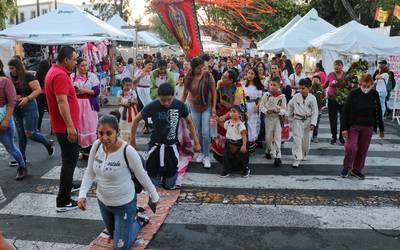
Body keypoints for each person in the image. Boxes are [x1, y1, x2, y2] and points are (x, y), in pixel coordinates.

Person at [78, 115, 160, 250]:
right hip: (103, 202)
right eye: (101, 133)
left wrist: (154, 195)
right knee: (113, 234)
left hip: (124, 205)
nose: (104, 138)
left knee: (120, 247)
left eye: (109, 133)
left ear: (117, 132)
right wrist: (82, 194)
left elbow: (142, 175)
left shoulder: (127, 151)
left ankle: (138, 221)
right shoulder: (97, 146)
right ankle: (128, 223)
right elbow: (90, 172)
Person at [130, 83, 201, 189]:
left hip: (171, 148)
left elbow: (190, 122)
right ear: (159, 97)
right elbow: (135, 120)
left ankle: (169, 175)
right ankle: (154, 174)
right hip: (156, 147)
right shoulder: (153, 106)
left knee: (168, 185)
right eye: (163, 100)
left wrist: (196, 142)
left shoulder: (180, 105)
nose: (166, 103)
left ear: (174, 96)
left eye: (169, 99)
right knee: (152, 185)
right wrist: (132, 141)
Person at [45, 46, 80, 212]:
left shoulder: (55, 71)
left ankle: (69, 184)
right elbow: (61, 102)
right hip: (65, 128)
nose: (75, 62)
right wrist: (70, 126)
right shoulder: (59, 75)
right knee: (69, 161)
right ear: (66, 60)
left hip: (61, 126)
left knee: (68, 160)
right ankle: (63, 200)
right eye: (74, 59)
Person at [8, 58, 55, 166]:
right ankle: (22, 160)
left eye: (13, 68)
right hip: (16, 107)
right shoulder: (11, 77)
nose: (11, 70)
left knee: (30, 133)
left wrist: (27, 98)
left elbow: (38, 90)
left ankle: (48, 143)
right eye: (10, 68)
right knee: (21, 135)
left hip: (29, 107)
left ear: (18, 67)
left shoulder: (28, 76)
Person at [340, 74, 384, 179]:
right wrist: (344, 128)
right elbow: (345, 111)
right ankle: (346, 167)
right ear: (360, 84)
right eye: (364, 86)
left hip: (368, 126)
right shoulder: (353, 93)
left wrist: (381, 128)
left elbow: (378, 111)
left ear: (372, 85)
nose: (366, 88)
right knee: (351, 147)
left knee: (363, 150)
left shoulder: (374, 94)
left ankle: (356, 169)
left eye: (368, 86)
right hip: (354, 125)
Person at [182, 57, 216, 168]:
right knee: (198, 131)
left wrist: (214, 107)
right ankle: (201, 152)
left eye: (202, 67)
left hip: (206, 106)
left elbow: (214, 92)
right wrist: (180, 107)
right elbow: (185, 93)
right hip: (194, 106)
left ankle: (206, 156)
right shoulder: (189, 77)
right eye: (199, 68)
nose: (201, 69)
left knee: (206, 132)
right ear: (193, 67)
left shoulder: (207, 75)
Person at [211, 70, 245, 162]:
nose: (222, 78)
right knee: (219, 132)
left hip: (234, 113)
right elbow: (216, 96)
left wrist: (225, 116)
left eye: (225, 77)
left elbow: (236, 106)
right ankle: (219, 153)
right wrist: (214, 109)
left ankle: (231, 156)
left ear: (231, 80)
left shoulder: (238, 88)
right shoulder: (220, 83)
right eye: (223, 75)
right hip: (221, 109)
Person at [71, 58, 100, 159]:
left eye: (86, 65)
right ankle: (80, 150)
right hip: (76, 104)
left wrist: (82, 90)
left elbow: (96, 92)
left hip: (89, 104)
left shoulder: (92, 76)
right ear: (77, 66)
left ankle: (91, 150)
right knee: (78, 126)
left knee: (90, 125)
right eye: (82, 65)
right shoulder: (72, 76)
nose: (85, 68)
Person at [287, 78, 318, 168]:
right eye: (299, 88)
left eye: (303, 88)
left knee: (306, 142)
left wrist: (313, 123)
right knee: (297, 140)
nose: (301, 90)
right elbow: (290, 107)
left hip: (308, 121)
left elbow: (315, 112)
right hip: (297, 120)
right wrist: (288, 118)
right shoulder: (296, 97)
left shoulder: (312, 98)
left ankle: (304, 154)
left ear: (309, 88)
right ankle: (296, 158)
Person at [0, 76, 27, 180]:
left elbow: (12, 102)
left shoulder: (5, 81)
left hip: (3, 119)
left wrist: (6, 120)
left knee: (10, 147)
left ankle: (22, 166)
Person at [259, 77, 287, 167]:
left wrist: (278, 111)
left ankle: (277, 157)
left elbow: (284, 109)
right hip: (268, 118)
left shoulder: (282, 97)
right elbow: (261, 106)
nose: (272, 86)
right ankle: (268, 149)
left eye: (274, 85)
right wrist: (266, 111)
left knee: (277, 138)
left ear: (279, 85)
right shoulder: (266, 95)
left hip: (277, 119)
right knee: (268, 137)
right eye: (271, 84)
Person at [219, 105, 249, 177]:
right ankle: (226, 170)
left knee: (241, 158)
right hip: (228, 143)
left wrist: (244, 145)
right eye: (231, 111)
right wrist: (226, 116)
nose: (232, 113)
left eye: (234, 112)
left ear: (239, 114)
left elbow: (244, 135)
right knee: (226, 157)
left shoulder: (240, 124)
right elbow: (220, 122)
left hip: (239, 143)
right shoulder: (228, 122)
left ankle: (245, 169)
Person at [325, 60, 346, 145]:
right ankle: (334, 136)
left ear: (342, 66)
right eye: (335, 65)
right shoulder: (331, 74)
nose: (337, 67)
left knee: (343, 119)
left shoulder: (346, 75)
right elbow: (331, 83)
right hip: (332, 99)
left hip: (343, 100)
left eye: (339, 65)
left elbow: (349, 84)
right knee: (332, 119)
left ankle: (341, 137)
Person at [243, 68, 263, 152]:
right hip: (244, 106)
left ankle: (251, 144)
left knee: (252, 124)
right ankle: (244, 143)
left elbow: (261, 98)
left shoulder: (258, 87)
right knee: (244, 124)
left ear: (255, 75)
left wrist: (257, 105)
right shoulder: (243, 85)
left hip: (253, 107)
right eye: (248, 73)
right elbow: (241, 97)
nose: (250, 75)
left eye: (252, 73)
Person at [133, 59, 153, 134]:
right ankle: (146, 126)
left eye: (151, 65)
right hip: (140, 90)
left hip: (148, 91)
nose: (150, 66)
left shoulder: (151, 73)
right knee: (142, 109)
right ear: (145, 65)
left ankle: (148, 125)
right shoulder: (139, 71)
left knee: (149, 108)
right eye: (149, 65)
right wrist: (140, 76)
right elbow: (133, 81)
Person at [36, 59, 51, 132]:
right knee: (51, 113)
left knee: (39, 113)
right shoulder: (49, 74)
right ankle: (53, 129)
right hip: (48, 95)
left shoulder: (37, 74)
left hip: (39, 95)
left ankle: (37, 127)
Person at [310, 75, 326, 143]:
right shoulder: (309, 90)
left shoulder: (322, 90)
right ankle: (309, 136)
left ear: (320, 82)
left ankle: (315, 136)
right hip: (309, 110)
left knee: (316, 123)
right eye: (314, 81)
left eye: (317, 81)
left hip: (318, 109)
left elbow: (324, 100)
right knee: (309, 123)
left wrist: (321, 101)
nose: (315, 82)